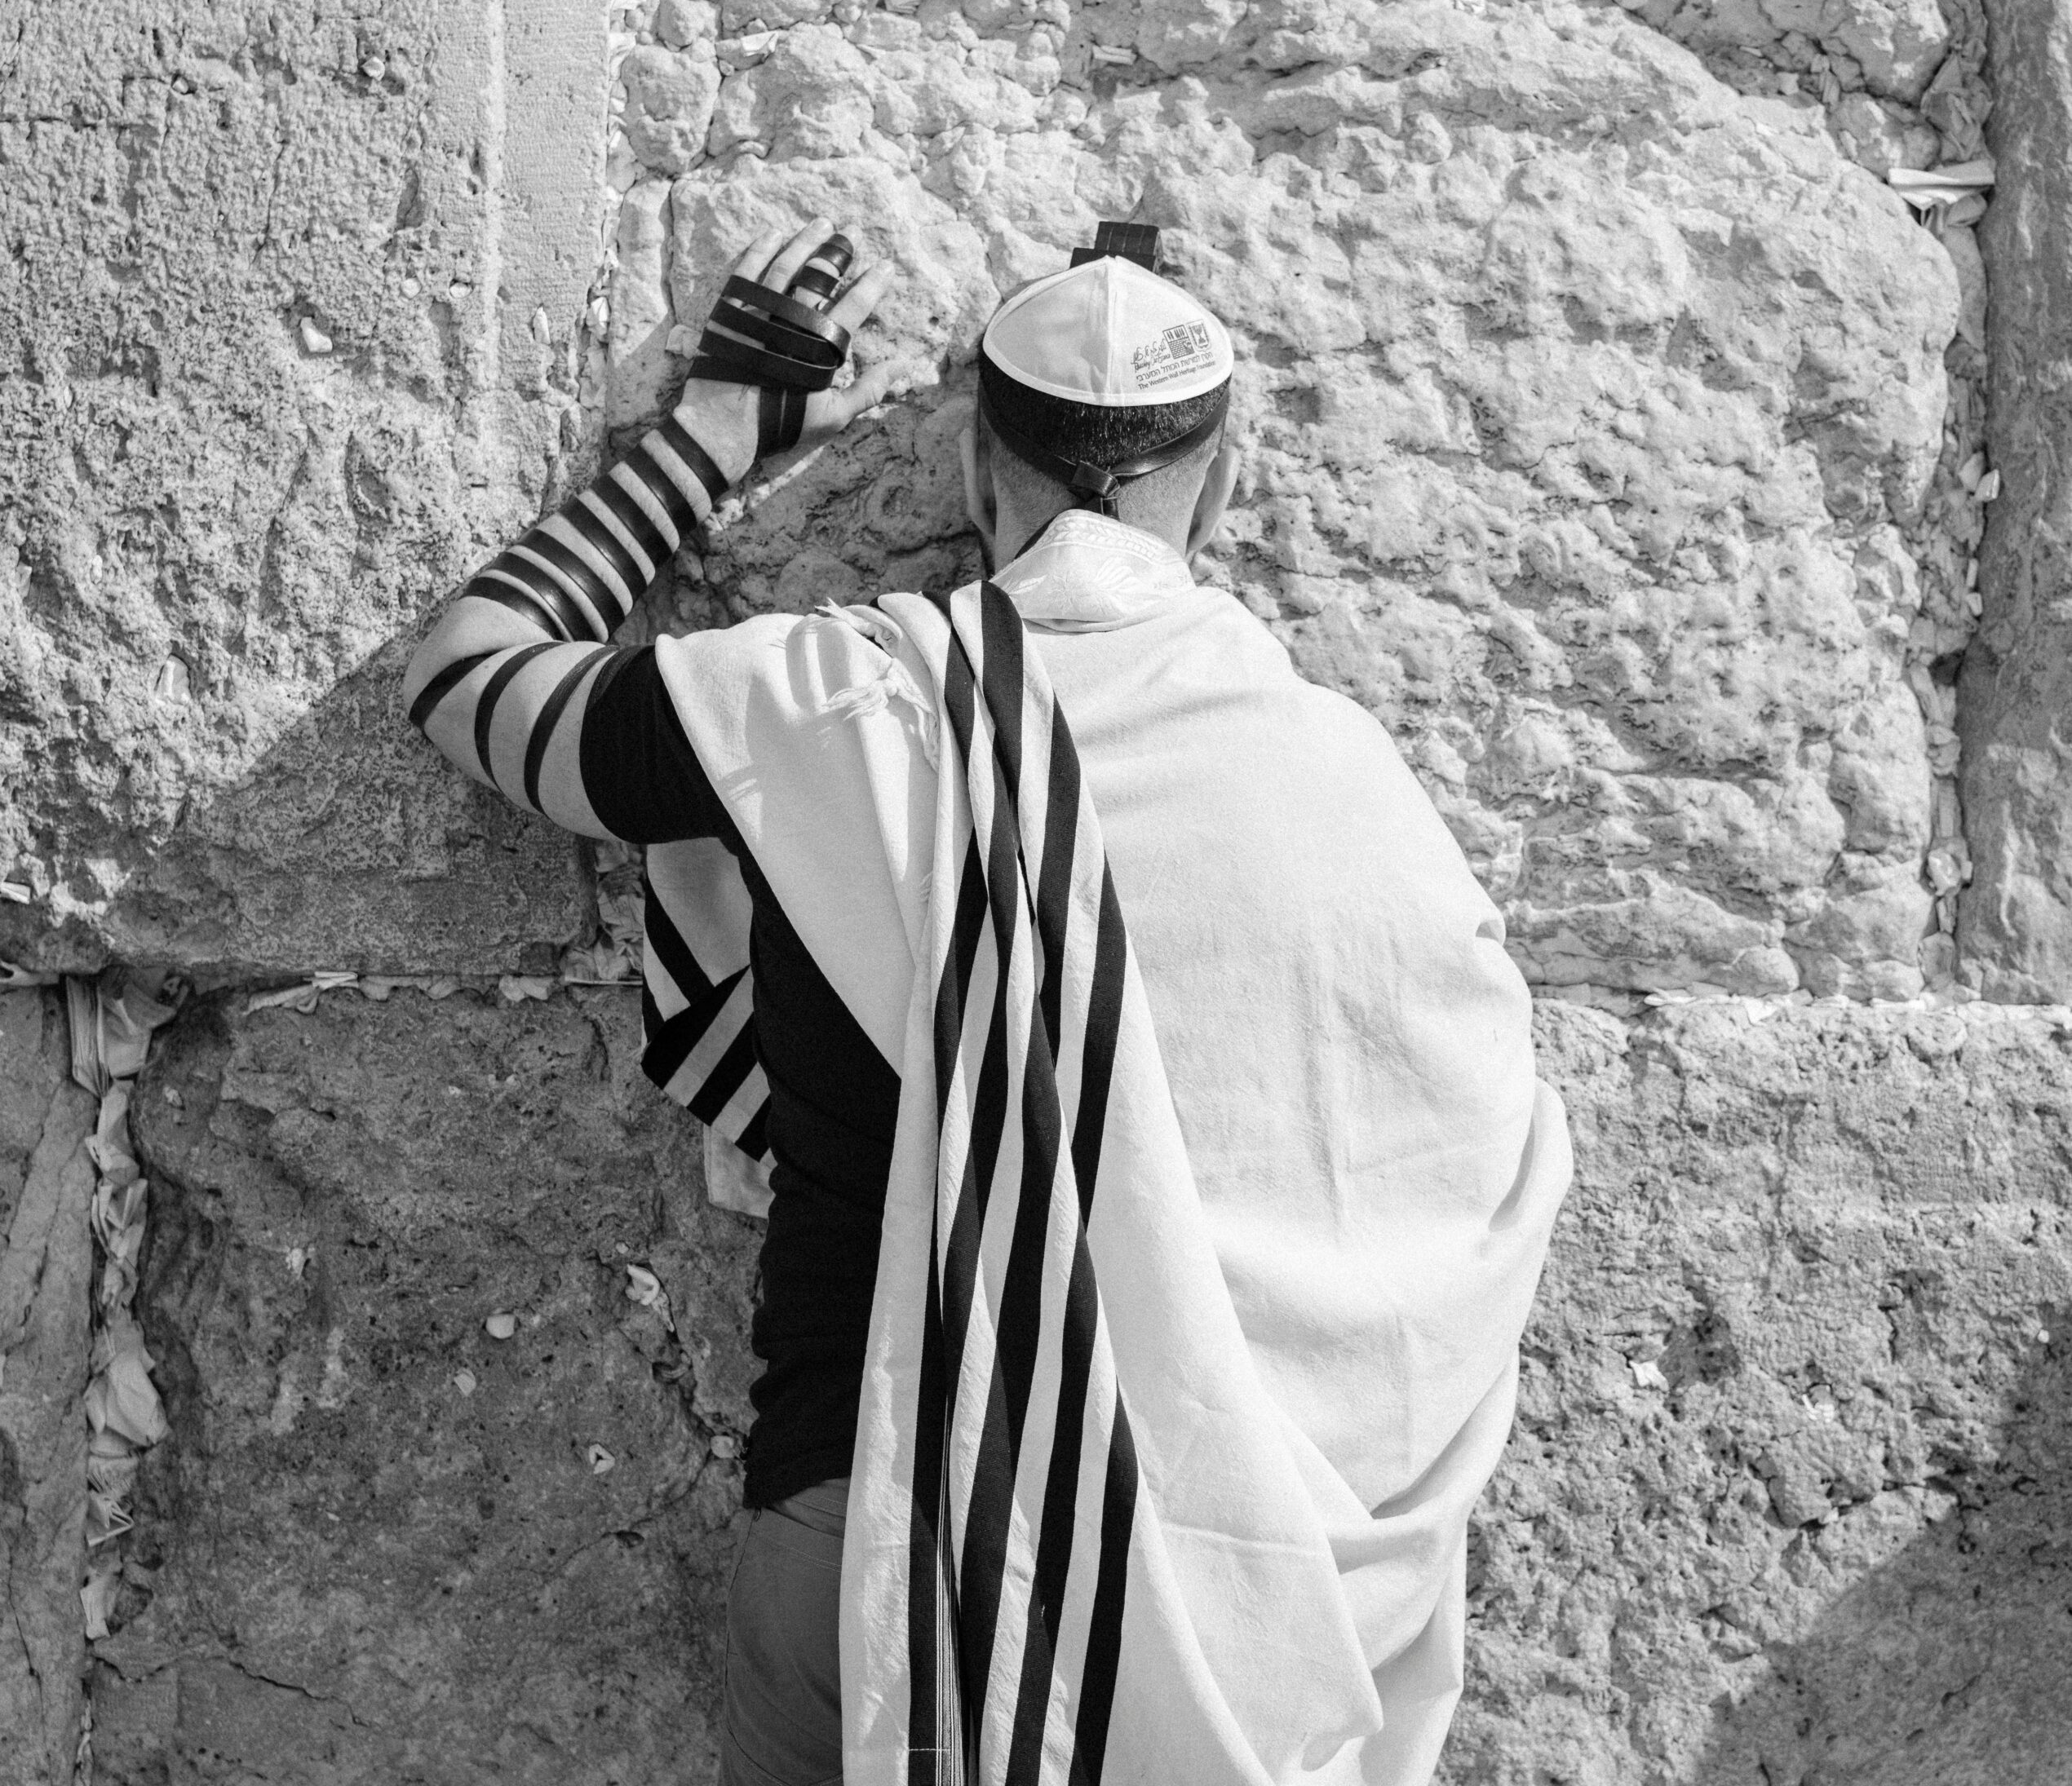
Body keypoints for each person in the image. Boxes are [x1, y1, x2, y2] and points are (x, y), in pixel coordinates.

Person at [402, 219, 1572, 1786]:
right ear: (1218, 486)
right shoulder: (1356, 797)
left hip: (881, 1546)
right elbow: (1482, 1188)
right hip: (1264, 1600)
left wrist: (708, 438)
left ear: (972, 474)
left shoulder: (843, 711)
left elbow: (468, 677)